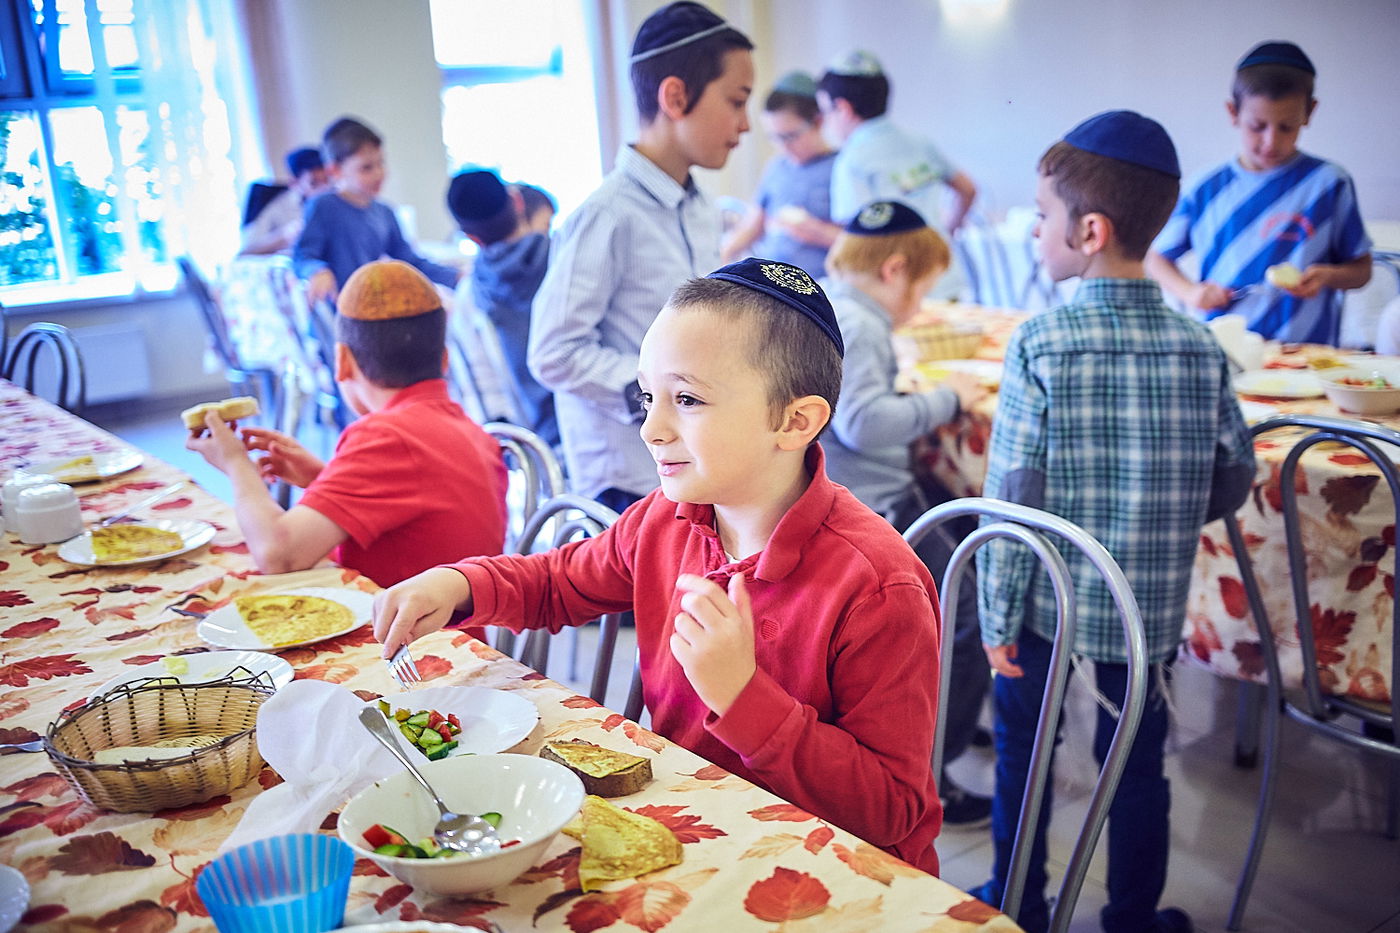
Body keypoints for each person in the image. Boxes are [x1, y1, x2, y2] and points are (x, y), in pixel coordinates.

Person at [375, 257, 946, 871]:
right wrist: (460, 582)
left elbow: (891, 812)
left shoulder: (878, 585)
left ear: (794, 421)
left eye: (688, 399)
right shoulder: (665, 520)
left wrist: (743, 696)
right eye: (648, 396)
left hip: (831, 870)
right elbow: (561, 583)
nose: (650, 428)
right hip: (696, 836)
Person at [971, 111, 1256, 933]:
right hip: (1145, 612)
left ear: (1088, 230)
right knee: (1136, 766)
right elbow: (1233, 475)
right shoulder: (1201, 347)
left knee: (1025, 755)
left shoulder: (1040, 344)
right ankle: (1133, 916)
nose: (1032, 232)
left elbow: (1014, 501)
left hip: (1040, 611)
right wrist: (1158, 504)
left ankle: (1015, 902)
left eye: (1039, 215)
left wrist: (995, 613)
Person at [528, 1, 753, 515]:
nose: (745, 125)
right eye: (736, 101)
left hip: (693, 463)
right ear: (675, 96)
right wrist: (664, 398)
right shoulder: (608, 214)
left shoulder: (699, 206)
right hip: (626, 475)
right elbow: (553, 351)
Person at [187, 260, 509, 608]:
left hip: (413, 649)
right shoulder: (472, 431)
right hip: (460, 640)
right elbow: (413, 519)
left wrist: (237, 464)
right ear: (444, 360)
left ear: (341, 361)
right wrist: (323, 479)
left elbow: (278, 556)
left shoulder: (386, 435)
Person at [819, 199, 992, 827]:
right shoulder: (864, 326)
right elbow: (864, 422)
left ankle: (961, 718)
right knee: (964, 612)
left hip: (852, 492)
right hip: (878, 504)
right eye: (923, 291)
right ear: (895, 270)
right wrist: (945, 400)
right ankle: (933, 768)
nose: (920, 308)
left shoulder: (834, 305)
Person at [1147, 41, 1372, 346]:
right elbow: (1155, 258)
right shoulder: (1204, 187)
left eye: (1286, 127)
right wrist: (1191, 292)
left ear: (1310, 112)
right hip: (1224, 352)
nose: (1270, 142)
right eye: (1257, 126)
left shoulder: (1330, 184)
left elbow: (1362, 271)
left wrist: (1328, 276)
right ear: (1233, 112)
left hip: (1307, 355)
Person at [816, 50, 977, 298]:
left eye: (825, 112)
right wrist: (947, 230)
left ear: (843, 108)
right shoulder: (920, 142)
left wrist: (806, 229)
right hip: (944, 274)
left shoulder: (852, 160)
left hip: (900, 292)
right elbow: (967, 190)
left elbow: (857, 239)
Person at [294, 117, 462, 306]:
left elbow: (410, 262)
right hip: (336, 315)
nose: (378, 173)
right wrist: (318, 271)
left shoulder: (385, 213)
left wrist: (457, 277)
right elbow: (303, 256)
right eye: (366, 168)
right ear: (335, 171)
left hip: (370, 310)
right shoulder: (323, 206)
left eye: (381, 163)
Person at [447, 168, 559, 447]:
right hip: (601, 427)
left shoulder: (470, 295)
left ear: (471, 237)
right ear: (518, 202)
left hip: (534, 443)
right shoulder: (565, 258)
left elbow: (481, 387)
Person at [720, 71, 841, 278]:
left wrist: (816, 231)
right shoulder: (776, 168)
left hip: (821, 287)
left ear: (818, 122)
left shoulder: (840, 168)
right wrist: (724, 256)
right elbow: (753, 226)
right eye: (774, 138)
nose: (783, 147)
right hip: (772, 286)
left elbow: (862, 244)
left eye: (790, 136)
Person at [239, 146, 329, 256]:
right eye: (314, 183)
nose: (324, 189)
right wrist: (284, 237)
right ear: (294, 183)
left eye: (327, 180)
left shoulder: (338, 199)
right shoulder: (277, 204)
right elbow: (246, 250)